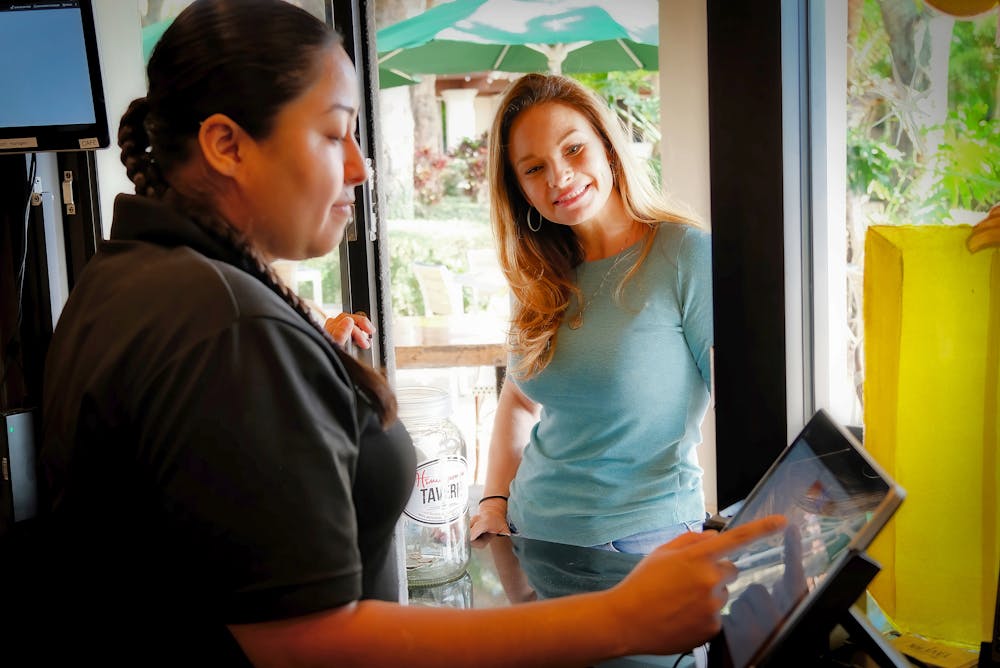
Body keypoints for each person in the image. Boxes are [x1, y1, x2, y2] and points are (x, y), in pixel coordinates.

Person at [30, 1, 783, 665]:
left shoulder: (124, 276)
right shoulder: (222, 323)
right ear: (227, 145)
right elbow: (306, 645)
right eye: (335, 134)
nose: (361, 168)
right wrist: (617, 619)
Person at [470, 74, 715, 554]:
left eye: (573, 149)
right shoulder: (538, 272)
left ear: (607, 146)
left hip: (645, 541)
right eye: (534, 168)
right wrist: (494, 501)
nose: (559, 177)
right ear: (520, 190)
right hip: (529, 536)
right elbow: (519, 399)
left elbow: (744, 403)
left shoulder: (684, 253)